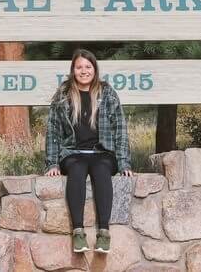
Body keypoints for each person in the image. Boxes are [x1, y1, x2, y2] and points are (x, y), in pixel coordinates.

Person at [45, 49, 132, 254]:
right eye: (79, 67)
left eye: (88, 66)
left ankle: (103, 233)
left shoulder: (107, 92)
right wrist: (52, 163)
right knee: (76, 171)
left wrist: (124, 162)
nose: (84, 71)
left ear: (94, 69)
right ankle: (78, 233)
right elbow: (53, 129)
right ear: (73, 70)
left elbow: (120, 128)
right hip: (73, 153)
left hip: (102, 153)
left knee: (101, 171)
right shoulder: (63, 94)